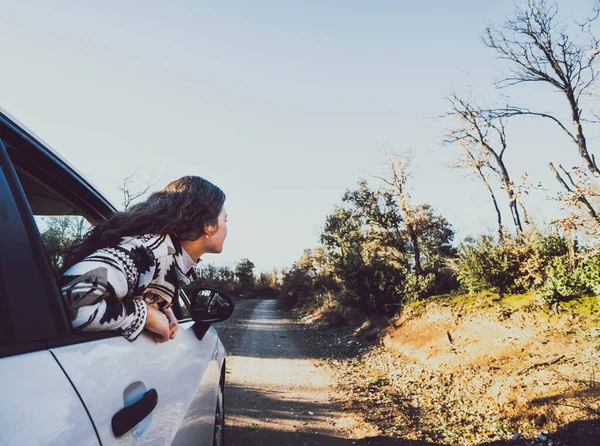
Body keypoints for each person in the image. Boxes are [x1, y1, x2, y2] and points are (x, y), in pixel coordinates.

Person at [59, 176, 227, 343]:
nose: (227, 228)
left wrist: (157, 306)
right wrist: (145, 315)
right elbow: (68, 304)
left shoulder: (168, 258)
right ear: (209, 225)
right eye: (225, 220)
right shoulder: (147, 253)